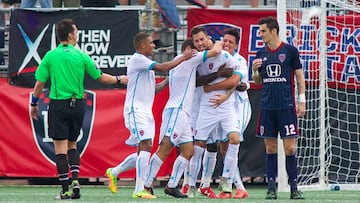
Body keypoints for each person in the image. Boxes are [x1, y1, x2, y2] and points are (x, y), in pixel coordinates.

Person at [30, 18, 127, 200]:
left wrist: (33, 104)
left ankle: (65, 189)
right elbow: (100, 77)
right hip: (78, 105)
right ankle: (76, 180)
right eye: (75, 32)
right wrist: (120, 79)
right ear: (69, 35)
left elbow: (39, 83)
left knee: (60, 149)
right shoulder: (81, 56)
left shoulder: (51, 56)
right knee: (73, 145)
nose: (77, 35)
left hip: (59, 105)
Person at [106, 32, 193, 199]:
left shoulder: (146, 65)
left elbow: (154, 90)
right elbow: (162, 67)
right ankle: (139, 189)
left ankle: (114, 171)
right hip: (134, 110)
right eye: (151, 43)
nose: (154, 46)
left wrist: (169, 80)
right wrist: (183, 58)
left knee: (143, 150)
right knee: (145, 145)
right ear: (142, 46)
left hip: (145, 111)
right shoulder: (137, 59)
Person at [142, 39, 222, 198]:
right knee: (165, 147)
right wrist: (215, 41)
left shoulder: (177, 62)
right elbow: (216, 51)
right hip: (176, 111)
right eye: (196, 46)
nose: (199, 48)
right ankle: (145, 184)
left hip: (182, 112)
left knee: (188, 150)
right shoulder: (190, 59)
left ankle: (171, 186)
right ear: (188, 51)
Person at [251, 16, 306, 200]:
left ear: (273, 31)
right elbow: (258, 81)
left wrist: (302, 100)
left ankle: (294, 188)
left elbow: (299, 76)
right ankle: (271, 188)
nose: (260, 34)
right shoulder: (260, 53)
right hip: (267, 107)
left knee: (290, 148)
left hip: (286, 106)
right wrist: (254, 71)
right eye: (259, 31)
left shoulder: (289, 51)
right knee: (270, 148)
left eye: (263, 31)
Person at [204, 28, 251, 199]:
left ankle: (229, 186)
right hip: (222, 105)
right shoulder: (217, 58)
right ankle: (238, 187)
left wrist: (231, 81)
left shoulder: (240, 60)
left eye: (231, 42)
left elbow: (243, 84)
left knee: (233, 140)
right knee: (223, 147)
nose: (227, 44)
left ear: (236, 45)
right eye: (225, 41)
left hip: (239, 105)